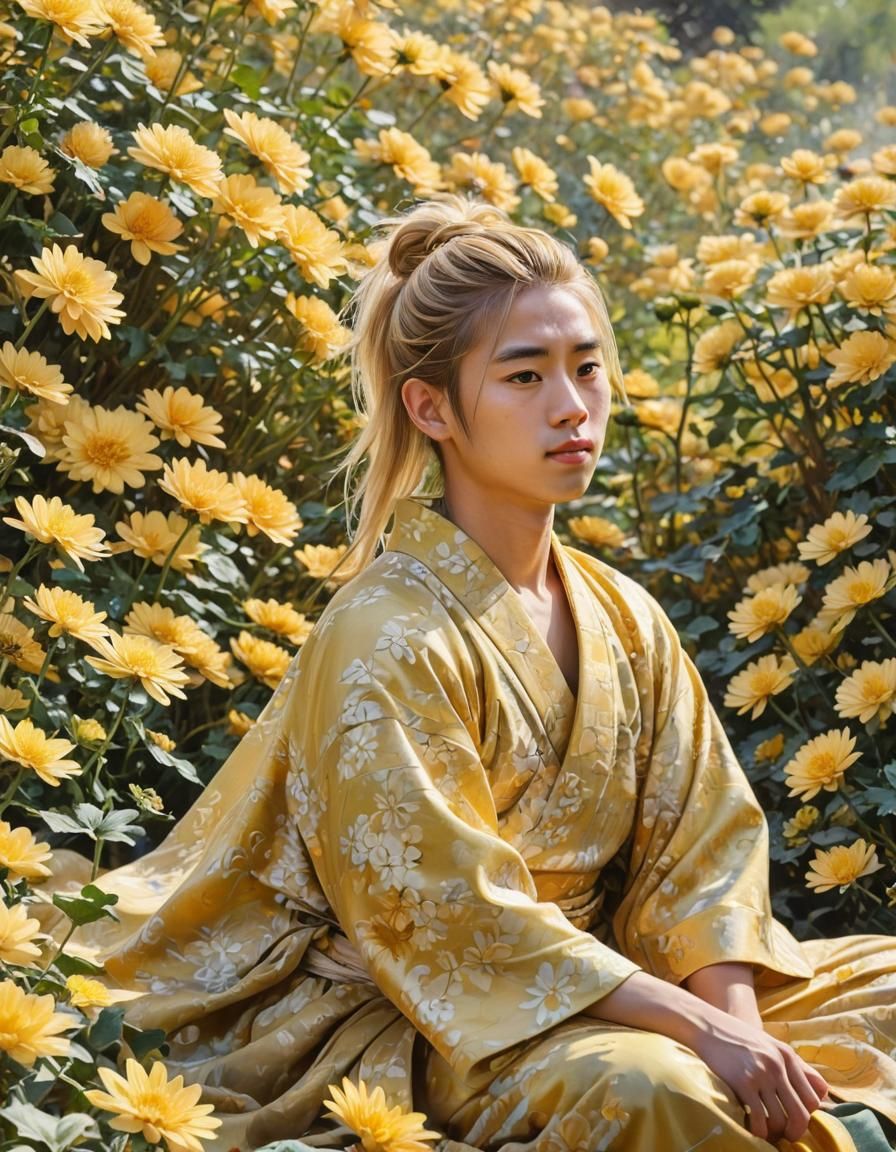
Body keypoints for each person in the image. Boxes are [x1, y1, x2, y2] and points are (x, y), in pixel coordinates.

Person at [49, 196, 896, 1152]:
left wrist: (738, 1032)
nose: (572, 405)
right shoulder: (386, 632)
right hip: (436, 1016)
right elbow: (450, 922)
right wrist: (698, 1037)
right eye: (525, 376)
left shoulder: (624, 616)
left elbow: (700, 869)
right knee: (657, 1090)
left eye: (587, 368)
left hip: (610, 984)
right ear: (432, 407)